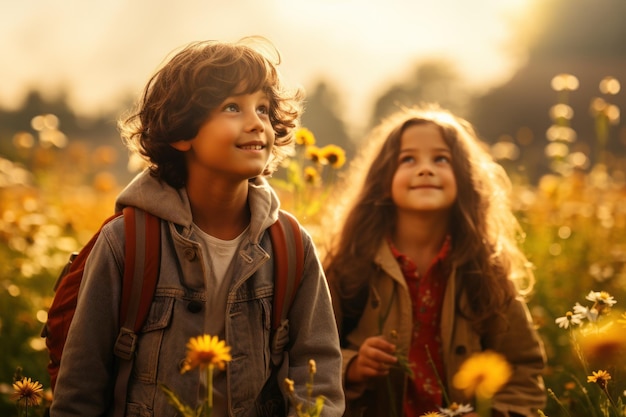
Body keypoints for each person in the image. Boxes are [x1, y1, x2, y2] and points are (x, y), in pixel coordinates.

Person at [50, 37, 345, 417]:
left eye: (264, 109)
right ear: (181, 132)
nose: (257, 123)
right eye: (233, 107)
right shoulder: (126, 241)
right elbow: (81, 387)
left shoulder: (291, 246)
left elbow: (317, 375)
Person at [322, 105, 546, 417]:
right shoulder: (350, 267)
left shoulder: (485, 271)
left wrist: (489, 413)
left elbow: (523, 368)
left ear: (465, 178)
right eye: (408, 159)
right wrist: (353, 366)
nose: (425, 169)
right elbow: (308, 355)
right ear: (383, 179)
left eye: (441, 159)